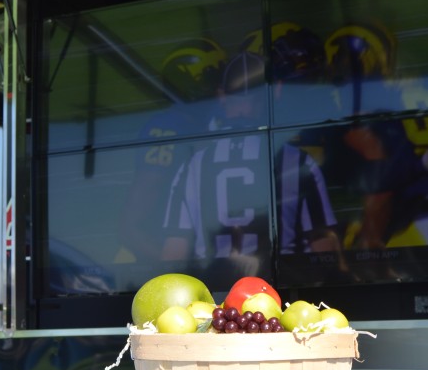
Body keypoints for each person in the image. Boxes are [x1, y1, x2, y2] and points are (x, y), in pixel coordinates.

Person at [160, 51, 339, 288]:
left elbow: (175, 253)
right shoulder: (296, 161)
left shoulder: (193, 165)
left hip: (216, 294)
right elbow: (323, 249)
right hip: (281, 291)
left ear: (222, 97)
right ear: (274, 92)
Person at [321, 22, 428, 250]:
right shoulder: (424, 86)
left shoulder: (365, 110)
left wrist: (367, 233)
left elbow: (383, 182)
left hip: (411, 226)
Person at [115, 38, 227, 265]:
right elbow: (132, 226)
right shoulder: (171, 128)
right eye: (216, 79)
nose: (223, 89)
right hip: (153, 264)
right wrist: (179, 267)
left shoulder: (206, 125)